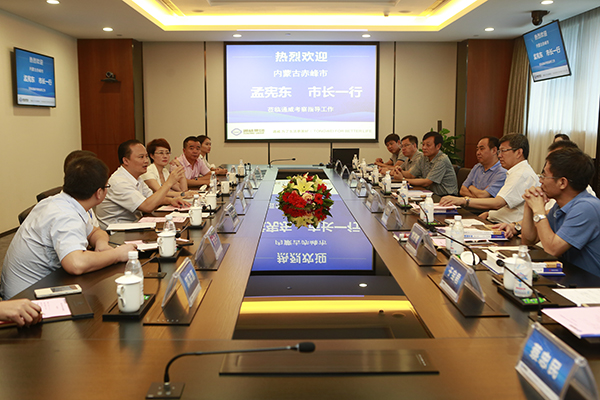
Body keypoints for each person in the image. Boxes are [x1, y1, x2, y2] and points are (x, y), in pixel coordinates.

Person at [1, 157, 136, 300]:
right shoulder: (65, 215)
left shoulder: (62, 202)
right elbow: (76, 264)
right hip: (26, 299)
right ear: (99, 193)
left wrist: (101, 244)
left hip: (43, 284)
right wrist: (117, 255)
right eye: (106, 186)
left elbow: (95, 231)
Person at [521, 148, 600, 276]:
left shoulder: (586, 207)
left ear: (562, 182)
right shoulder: (560, 205)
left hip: (591, 283)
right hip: (569, 276)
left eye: (544, 175)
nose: (540, 180)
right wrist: (529, 206)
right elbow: (529, 240)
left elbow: (552, 249)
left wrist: (539, 210)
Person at [440, 133, 538, 223]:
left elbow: (498, 203)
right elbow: (508, 206)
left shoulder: (521, 174)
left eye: (503, 151)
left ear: (519, 153)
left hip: (507, 226)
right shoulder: (515, 171)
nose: (499, 155)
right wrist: (489, 214)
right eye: (499, 151)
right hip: (494, 219)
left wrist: (463, 200)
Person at [96, 140, 187, 229]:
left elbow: (151, 198)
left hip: (134, 224)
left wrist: (171, 201)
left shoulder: (136, 177)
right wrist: (169, 183)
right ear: (126, 161)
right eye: (141, 157)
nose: (146, 161)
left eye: (146, 156)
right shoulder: (119, 182)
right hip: (116, 231)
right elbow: (147, 206)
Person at [441, 136, 506, 202]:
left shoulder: (501, 171)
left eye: (482, 149)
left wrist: (471, 187)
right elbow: (462, 190)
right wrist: (478, 196)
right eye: (477, 149)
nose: (478, 153)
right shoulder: (477, 167)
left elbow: (483, 195)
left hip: (483, 208)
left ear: (494, 150)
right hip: (468, 205)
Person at [398, 131, 458, 196]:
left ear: (438, 146)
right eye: (423, 144)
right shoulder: (423, 157)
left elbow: (427, 182)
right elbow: (411, 175)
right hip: (429, 192)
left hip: (445, 196)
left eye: (428, 145)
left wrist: (403, 180)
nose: (424, 148)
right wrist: (400, 171)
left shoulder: (442, 159)